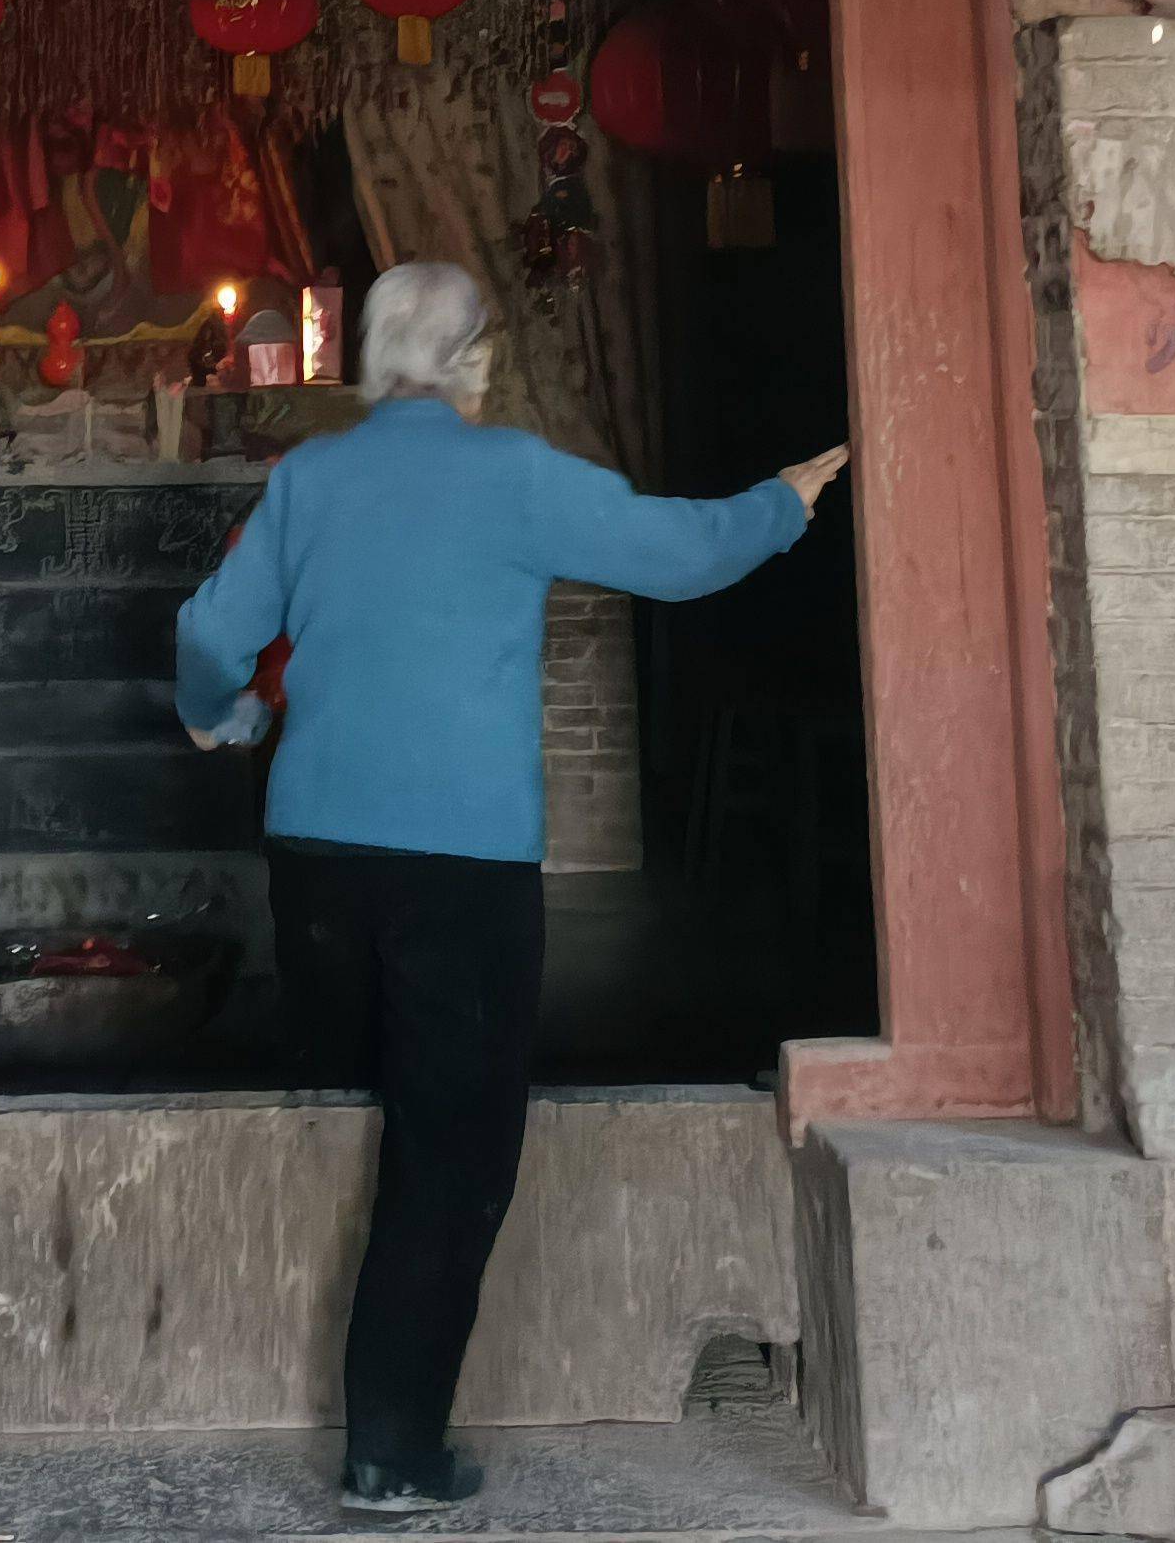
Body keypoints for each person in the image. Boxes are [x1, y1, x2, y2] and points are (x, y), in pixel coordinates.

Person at [172, 261, 847, 1520]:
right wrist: (781, 502)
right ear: (476, 361)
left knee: (341, 1101)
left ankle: (281, 1377)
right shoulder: (514, 474)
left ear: (374, 363)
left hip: (312, 850)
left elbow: (211, 635)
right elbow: (679, 552)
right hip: (459, 868)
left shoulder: (308, 479)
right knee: (450, 1150)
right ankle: (389, 1449)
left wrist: (219, 716)